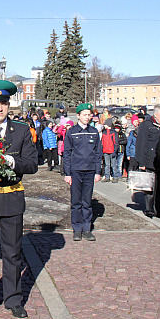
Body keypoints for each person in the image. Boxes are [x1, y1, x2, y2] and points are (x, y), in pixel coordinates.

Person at [0, 80, 38, 319]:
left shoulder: (21, 130)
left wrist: (13, 162)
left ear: (9, 105)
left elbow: (32, 163)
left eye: (4, 103)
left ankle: (13, 299)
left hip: (12, 198)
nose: (0, 108)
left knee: (13, 252)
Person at [63, 103, 102, 242]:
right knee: (76, 201)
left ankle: (86, 228)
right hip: (75, 170)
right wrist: (67, 173)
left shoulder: (94, 131)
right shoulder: (72, 131)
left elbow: (98, 153)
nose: (87, 117)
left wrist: (98, 171)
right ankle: (77, 229)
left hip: (90, 170)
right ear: (78, 116)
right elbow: (66, 153)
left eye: (89, 114)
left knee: (87, 201)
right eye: (84, 114)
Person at [135, 105, 160, 220]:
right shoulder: (146, 125)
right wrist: (141, 162)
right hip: (150, 160)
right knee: (149, 187)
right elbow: (141, 144)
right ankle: (149, 209)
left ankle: (158, 209)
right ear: (155, 114)